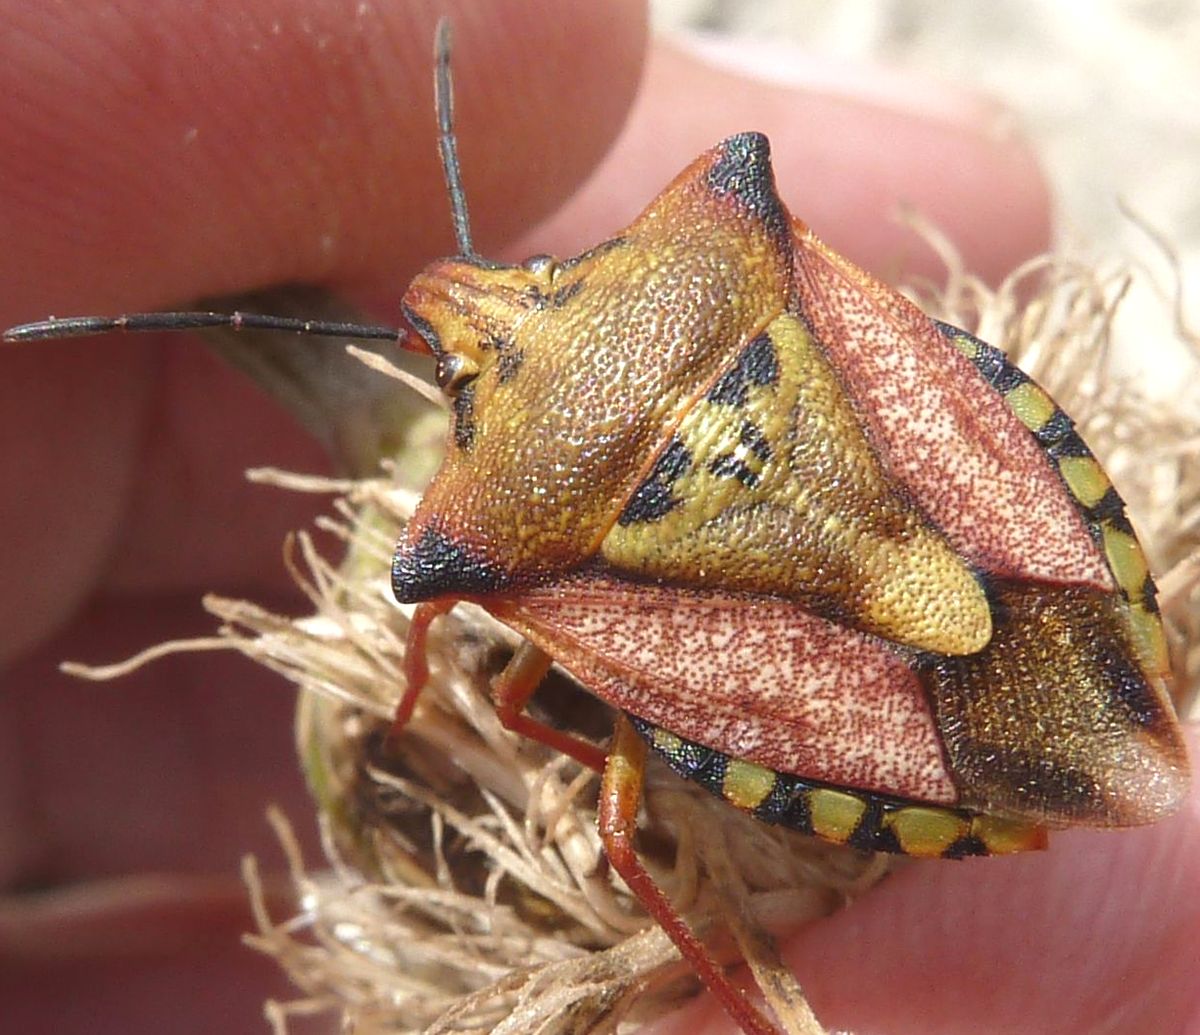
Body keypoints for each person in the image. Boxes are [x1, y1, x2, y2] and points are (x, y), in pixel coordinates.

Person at [1, 2, 1194, 1033]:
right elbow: (972, 367)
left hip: (792, 699)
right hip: (969, 506)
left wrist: (515, 713)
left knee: (623, 838)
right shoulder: (722, 245)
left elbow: (511, 683)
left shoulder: (488, 540)